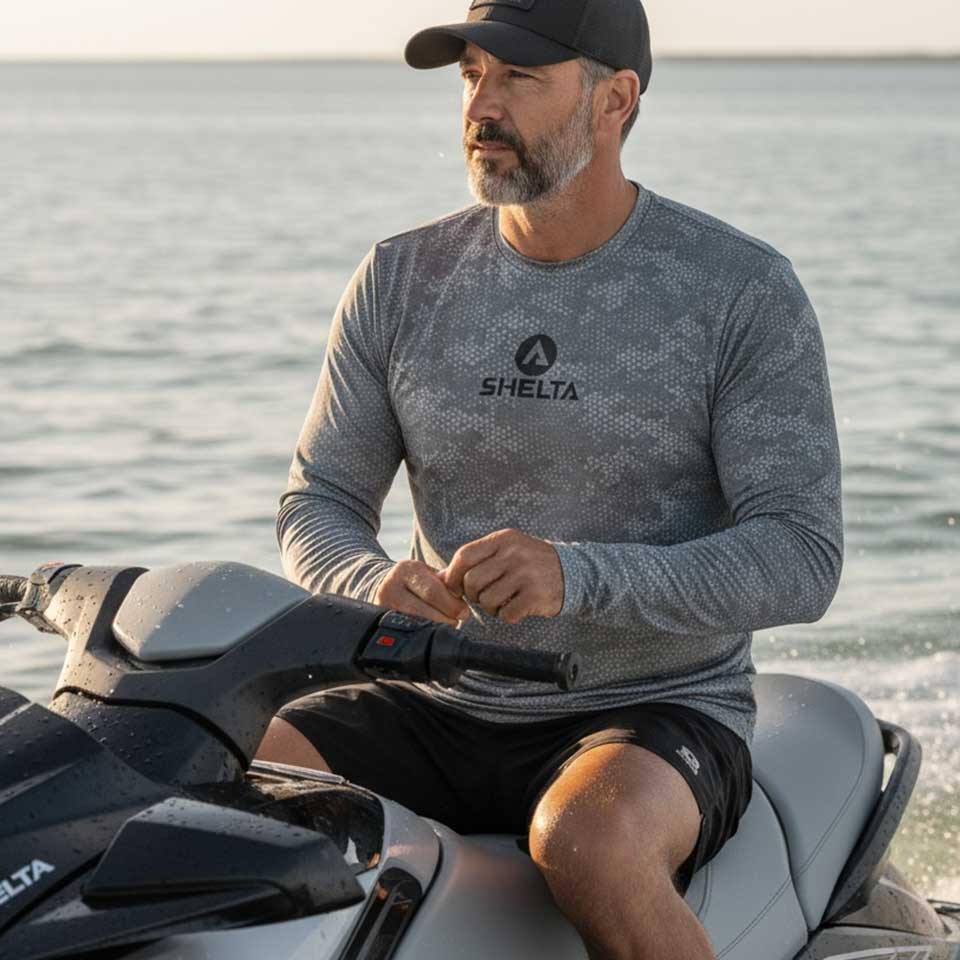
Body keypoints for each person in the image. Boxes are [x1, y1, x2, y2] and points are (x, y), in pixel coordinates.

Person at [257, 1, 843, 957]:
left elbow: (801, 557)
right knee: (233, 781)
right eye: (471, 75)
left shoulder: (739, 291)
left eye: (520, 77)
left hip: (651, 710)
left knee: (588, 843)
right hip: (435, 695)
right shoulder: (399, 278)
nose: (480, 106)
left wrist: (576, 575)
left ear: (616, 100)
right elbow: (318, 501)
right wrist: (371, 583)